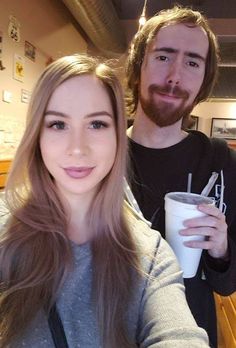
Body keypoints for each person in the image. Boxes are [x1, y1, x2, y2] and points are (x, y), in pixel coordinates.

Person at [0, 54, 209, 347]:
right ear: (37, 136)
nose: (77, 149)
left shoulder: (150, 257)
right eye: (58, 125)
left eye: (97, 124)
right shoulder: (5, 231)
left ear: (117, 136)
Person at [125, 5, 236, 348]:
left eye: (192, 62)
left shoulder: (221, 161)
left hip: (190, 328)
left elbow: (226, 285)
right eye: (163, 56)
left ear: (204, 77)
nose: (175, 76)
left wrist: (220, 248)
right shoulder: (101, 154)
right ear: (139, 65)